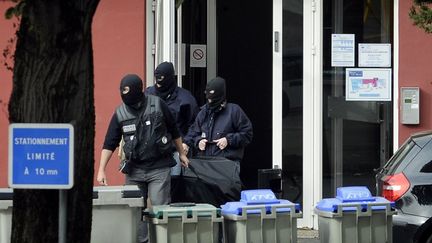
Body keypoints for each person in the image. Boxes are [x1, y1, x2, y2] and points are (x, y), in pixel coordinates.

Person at [97, 73, 189, 243]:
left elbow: (174, 129)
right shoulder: (120, 113)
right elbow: (110, 143)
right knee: (135, 211)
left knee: (160, 209)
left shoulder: (158, 104)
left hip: (159, 167)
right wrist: (101, 170)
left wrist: (181, 153)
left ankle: (160, 240)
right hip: (134, 169)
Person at [183, 76, 253, 165]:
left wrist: (228, 140)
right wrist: (198, 141)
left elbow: (247, 134)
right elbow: (192, 134)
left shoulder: (234, 111)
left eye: (212, 98)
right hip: (206, 164)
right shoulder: (203, 113)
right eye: (208, 98)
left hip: (227, 164)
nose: (210, 101)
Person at [145, 61, 199, 175]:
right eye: (157, 81)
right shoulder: (148, 95)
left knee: (174, 184)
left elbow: (195, 124)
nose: (159, 86)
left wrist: (186, 143)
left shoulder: (185, 99)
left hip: (175, 150)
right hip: (151, 152)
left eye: (162, 82)